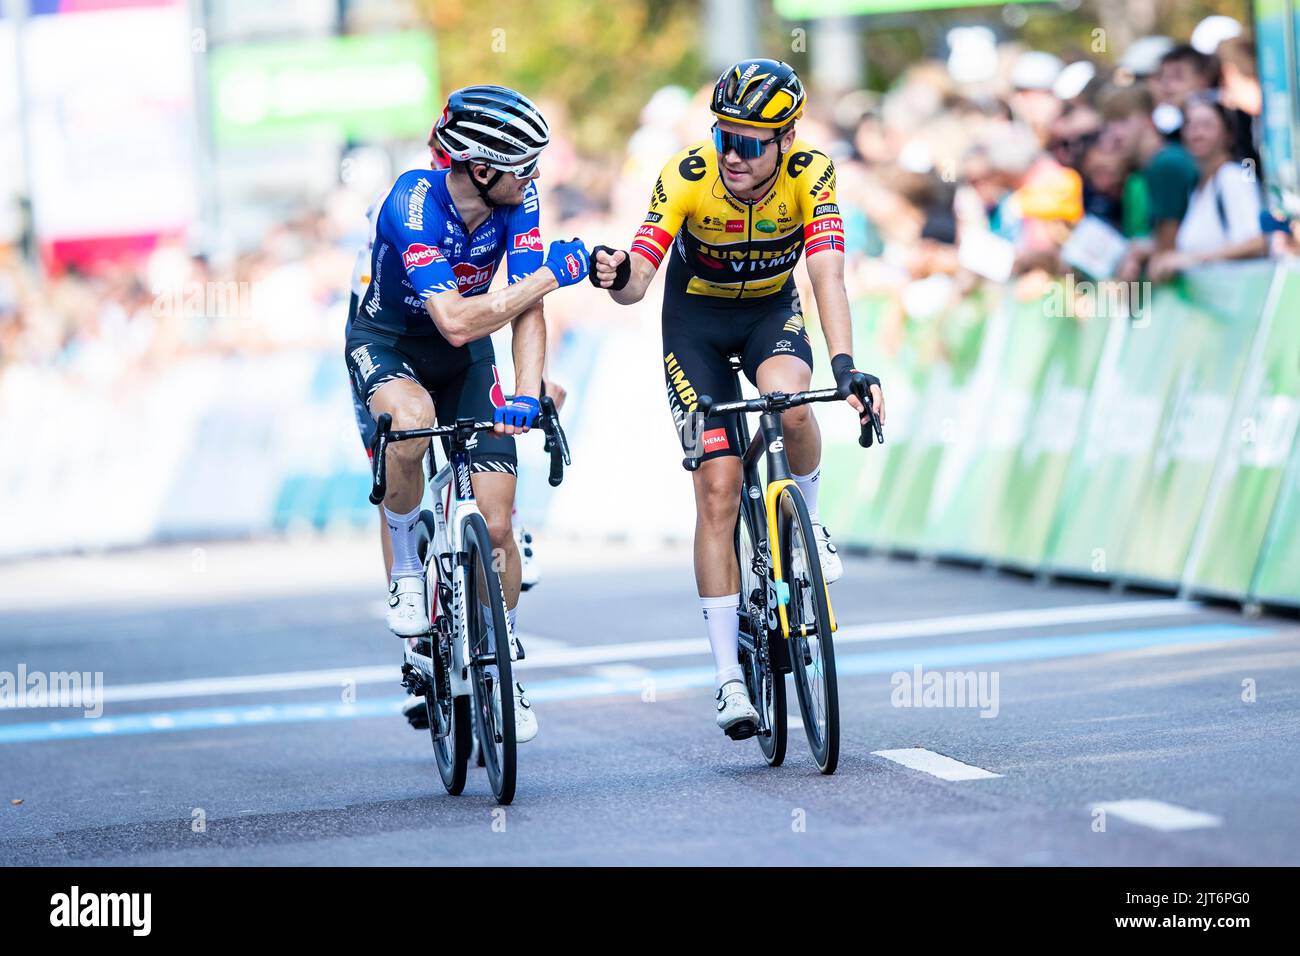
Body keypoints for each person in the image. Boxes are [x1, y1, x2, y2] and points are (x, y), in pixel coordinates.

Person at [589, 59, 884, 739]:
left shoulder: (813, 172)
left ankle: (808, 524)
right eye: (725, 136)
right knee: (719, 487)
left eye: (751, 142)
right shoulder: (687, 174)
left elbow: (828, 273)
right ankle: (727, 679)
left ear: (785, 141)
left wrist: (845, 366)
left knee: (793, 402)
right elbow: (639, 279)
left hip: (767, 317)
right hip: (693, 326)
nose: (733, 155)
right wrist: (616, 274)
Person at [344, 85, 591, 743]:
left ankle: (505, 664)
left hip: (470, 356)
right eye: (525, 164)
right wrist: (546, 278)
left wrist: (528, 393)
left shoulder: (519, 198)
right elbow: (454, 319)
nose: (535, 177)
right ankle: (403, 572)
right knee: (414, 422)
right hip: (390, 343)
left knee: (501, 519)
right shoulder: (412, 202)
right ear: (482, 169)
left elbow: (526, 308)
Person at [1148, 92, 1265, 281]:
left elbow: (1257, 242)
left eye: (1207, 125)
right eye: (1190, 125)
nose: (1197, 133)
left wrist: (1190, 259)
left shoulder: (1234, 176)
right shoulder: (1198, 186)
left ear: (1228, 134)